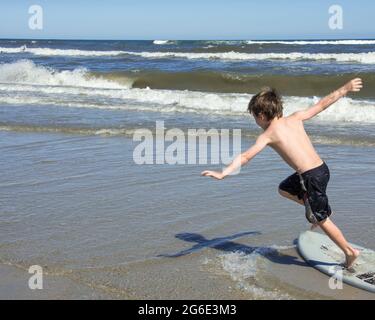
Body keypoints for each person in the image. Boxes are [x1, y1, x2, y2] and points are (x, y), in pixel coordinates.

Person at [201, 78, 363, 268]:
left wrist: (223, 173)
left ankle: (349, 251)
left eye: (254, 116)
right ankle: (317, 208)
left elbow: (245, 156)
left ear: (261, 115)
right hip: (322, 169)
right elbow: (321, 105)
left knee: (321, 219)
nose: (255, 121)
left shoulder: (268, 135)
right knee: (285, 189)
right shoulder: (295, 117)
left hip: (309, 177)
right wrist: (346, 88)